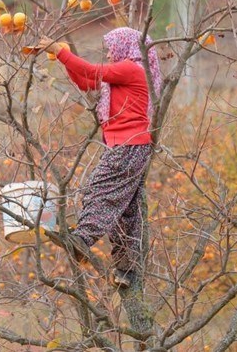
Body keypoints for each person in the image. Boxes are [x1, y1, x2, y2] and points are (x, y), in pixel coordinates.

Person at [36, 27, 162, 289]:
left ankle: (83, 238)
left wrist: (59, 52)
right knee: (127, 211)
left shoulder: (131, 69)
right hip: (129, 145)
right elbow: (86, 82)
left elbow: (92, 71)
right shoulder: (122, 73)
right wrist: (66, 57)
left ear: (125, 46)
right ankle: (126, 270)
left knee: (98, 187)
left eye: (110, 48)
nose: (107, 53)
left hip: (128, 145)